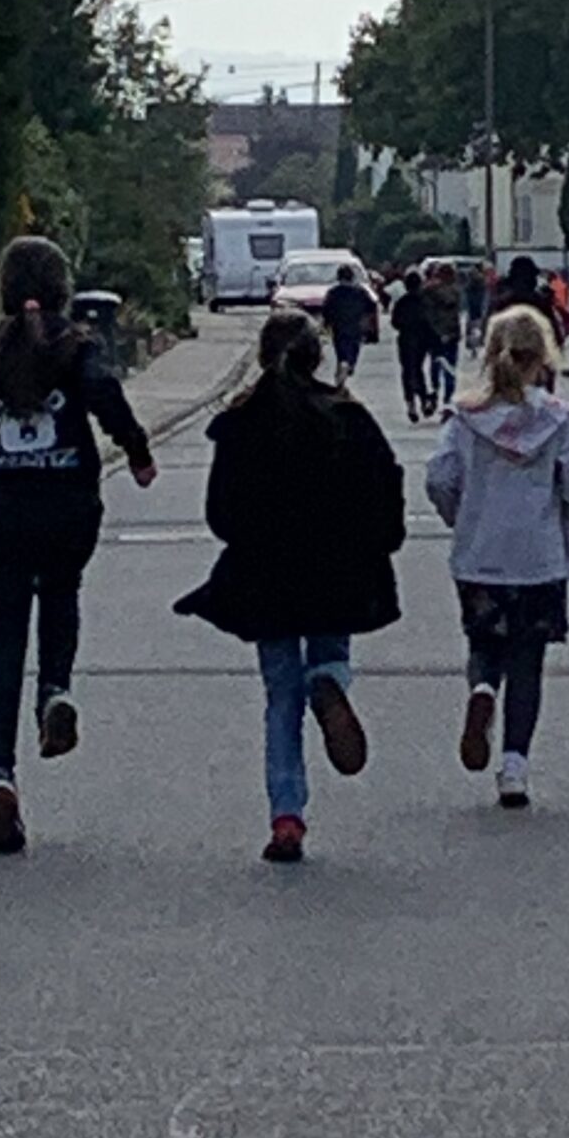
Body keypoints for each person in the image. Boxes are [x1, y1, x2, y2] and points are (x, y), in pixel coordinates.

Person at [0, 234, 156, 855]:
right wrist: (136, 452)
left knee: (0, 641)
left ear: (5, 289)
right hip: (66, 508)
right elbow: (105, 394)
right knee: (61, 591)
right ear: (63, 288)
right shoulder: (77, 346)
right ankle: (55, 690)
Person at [174, 309, 404, 864]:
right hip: (338, 572)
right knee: (329, 654)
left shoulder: (241, 423)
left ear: (261, 356)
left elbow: (221, 513)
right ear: (316, 356)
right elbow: (386, 488)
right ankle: (328, 681)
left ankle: (286, 816)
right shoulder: (349, 415)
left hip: (269, 579)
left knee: (280, 695)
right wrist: (380, 543)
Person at [425, 305, 569, 809]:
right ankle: (514, 769)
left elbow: (439, 478)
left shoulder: (466, 418)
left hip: (478, 555)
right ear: (544, 358)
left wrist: (460, 517)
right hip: (538, 560)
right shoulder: (557, 420)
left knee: (485, 644)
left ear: (490, 354)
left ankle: (482, 689)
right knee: (528, 662)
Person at [320, 262, 378, 386]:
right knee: (354, 348)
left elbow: (326, 309)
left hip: (338, 326)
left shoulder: (333, 292)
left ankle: (343, 365)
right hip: (355, 326)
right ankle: (348, 366)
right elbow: (371, 306)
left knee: (340, 349)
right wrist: (369, 324)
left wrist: (326, 323)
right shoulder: (360, 291)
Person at [391, 267, 436, 424]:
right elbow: (431, 321)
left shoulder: (402, 302)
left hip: (405, 338)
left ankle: (410, 404)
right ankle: (424, 399)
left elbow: (395, 322)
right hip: (422, 339)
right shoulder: (426, 301)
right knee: (418, 369)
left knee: (407, 370)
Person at [423, 261, 463, 410]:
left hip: (435, 333)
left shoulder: (428, 291)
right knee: (450, 367)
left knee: (435, 364)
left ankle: (434, 391)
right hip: (452, 333)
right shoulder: (456, 292)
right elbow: (455, 314)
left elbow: (428, 313)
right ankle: (448, 398)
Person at [494, 253, 559, 331]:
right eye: (533, 276)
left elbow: (486, 335)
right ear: (531, 279)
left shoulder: (500, 303)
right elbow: (555, 336)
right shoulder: (540, 304)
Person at [463, 263, 490, 355]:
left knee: (471, 327)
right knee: (478, 327)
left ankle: (472, 345)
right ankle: (476, 345)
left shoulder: (469, 284)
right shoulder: (482, 282)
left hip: (471, 309)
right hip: (479, 308)